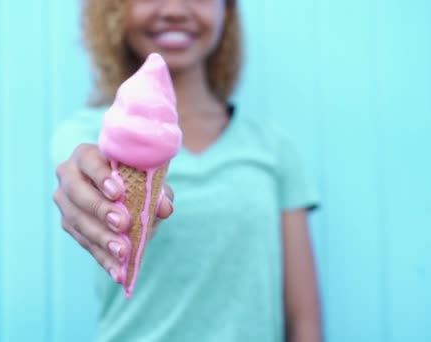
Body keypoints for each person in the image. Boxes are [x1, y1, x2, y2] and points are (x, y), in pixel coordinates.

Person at [52, 0, 322, 341]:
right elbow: (77, 175)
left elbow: (304, 322)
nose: (176, 9)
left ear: (227, 11)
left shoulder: (274, 148)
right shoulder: (87, 134)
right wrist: (96, 202)